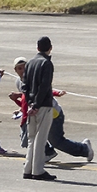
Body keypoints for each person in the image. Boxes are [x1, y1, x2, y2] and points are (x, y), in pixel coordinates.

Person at [23, 36, 56, 180]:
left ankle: (28, 168)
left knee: (31, 138)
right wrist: (37, 104)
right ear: (50, 48)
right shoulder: (46, 63)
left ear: (37, 48)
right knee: (40, 138)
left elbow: (25, 85)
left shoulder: (30, 63)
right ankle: (38, 170)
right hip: (42, 105)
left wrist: (30, 103)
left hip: (30, 104)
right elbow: (44, 86)